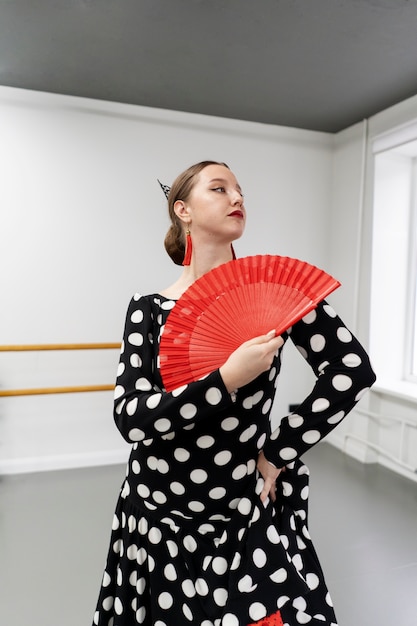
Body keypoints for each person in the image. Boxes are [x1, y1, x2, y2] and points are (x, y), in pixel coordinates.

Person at [92, 160, 376, 626]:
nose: (238, 198)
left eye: (240, 190)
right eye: (220, 188)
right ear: (182, 210)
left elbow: (351, 370)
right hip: (158, 513)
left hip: (241, 507)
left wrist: (280, 451)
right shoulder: (147, 311)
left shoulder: (276, 296)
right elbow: (132, 418)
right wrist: (225, 379)